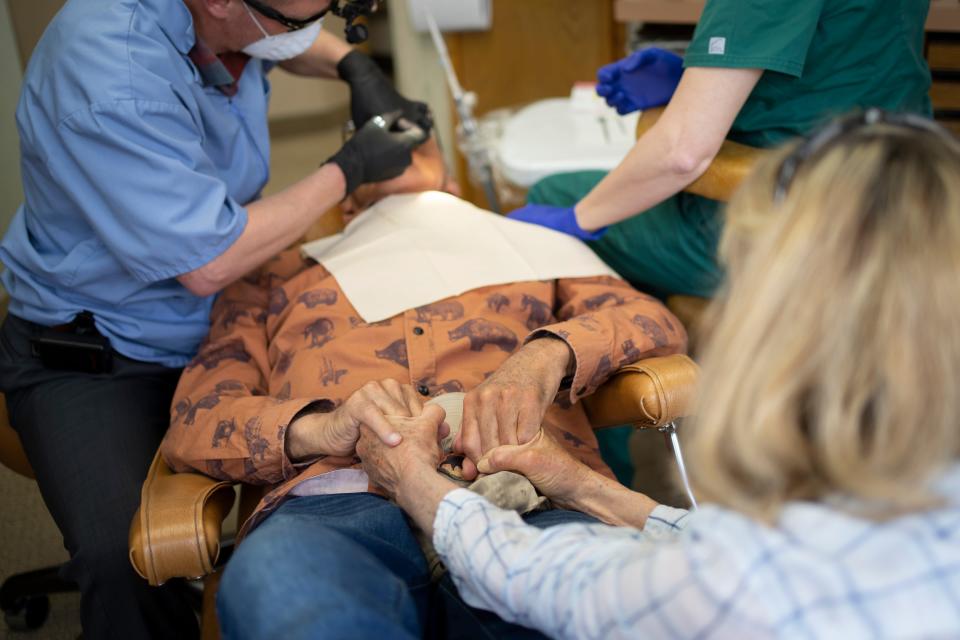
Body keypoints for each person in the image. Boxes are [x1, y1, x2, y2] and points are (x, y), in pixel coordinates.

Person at [358, 111, 960, 639]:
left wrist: (418, 478)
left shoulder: (751, 582)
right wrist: (590, 488)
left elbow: (567, 587)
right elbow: (719, 554)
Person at [0, 0, 431, 636]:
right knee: (131, 558)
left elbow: (279, 37)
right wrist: (348, 170)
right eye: (298, 20)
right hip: (100, 349)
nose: (311, 32)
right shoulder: (111, 74)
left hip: (227, 314)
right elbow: (209, 259)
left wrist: (350, 64)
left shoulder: (231, 19)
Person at [157, 146, 687, 637]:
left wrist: (543, 355)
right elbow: (199, 415)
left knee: (608, 606)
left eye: (416, 140)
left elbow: (649, 319)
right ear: (348, 207)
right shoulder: (273, 277)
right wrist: (323, 427)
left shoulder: (535, 248)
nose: (393, 139)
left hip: (527, 494)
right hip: (339, 501)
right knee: (279, 582)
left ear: (452, 183)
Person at [508, 0, 932, 299]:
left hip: (789, 227)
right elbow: (847, 57)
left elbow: (682, 153)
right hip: (902, 199)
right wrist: (696, 79)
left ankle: (609, 418)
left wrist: (579, 218)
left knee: (556, 196)